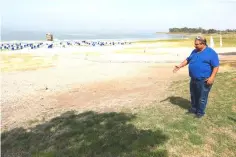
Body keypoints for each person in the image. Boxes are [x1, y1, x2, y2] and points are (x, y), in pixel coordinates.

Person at [173, 36, 220, 118]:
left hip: (204, 80)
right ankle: (194, 109)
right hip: (193, 78)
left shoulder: (211, 53)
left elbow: (216, 66)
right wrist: (180, 66)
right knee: (193, 95)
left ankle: (200, 112)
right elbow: (188, 59)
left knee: (202, 97)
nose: (195, 46)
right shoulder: (194, 51)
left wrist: (212, 77)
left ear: (203, 43)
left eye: (197, 44)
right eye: (195, 44)